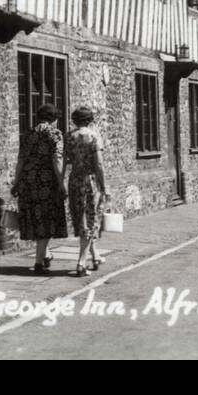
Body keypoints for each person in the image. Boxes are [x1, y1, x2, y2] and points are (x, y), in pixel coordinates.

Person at [10, 104, 68, 273]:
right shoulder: (55, 134)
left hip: (27, 182)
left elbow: (20, 160)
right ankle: (38, 263)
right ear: (54, 119)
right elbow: (57, 161)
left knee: (36, 221)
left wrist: (16, 182)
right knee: (47, 221)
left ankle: (46, 254)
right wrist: (62, 183)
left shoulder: (28, 133)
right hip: (46, 183)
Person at [64, 106, 108, 277]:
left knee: (82, 218)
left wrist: (62, 181)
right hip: (89, 181)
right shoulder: (94, 136)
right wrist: (104, 185)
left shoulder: (69, 136)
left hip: (74, 180)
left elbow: (64, 161)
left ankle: (95, 256)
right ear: (90, 120)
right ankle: (81, 262)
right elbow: (98, 164)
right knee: (91, 219)